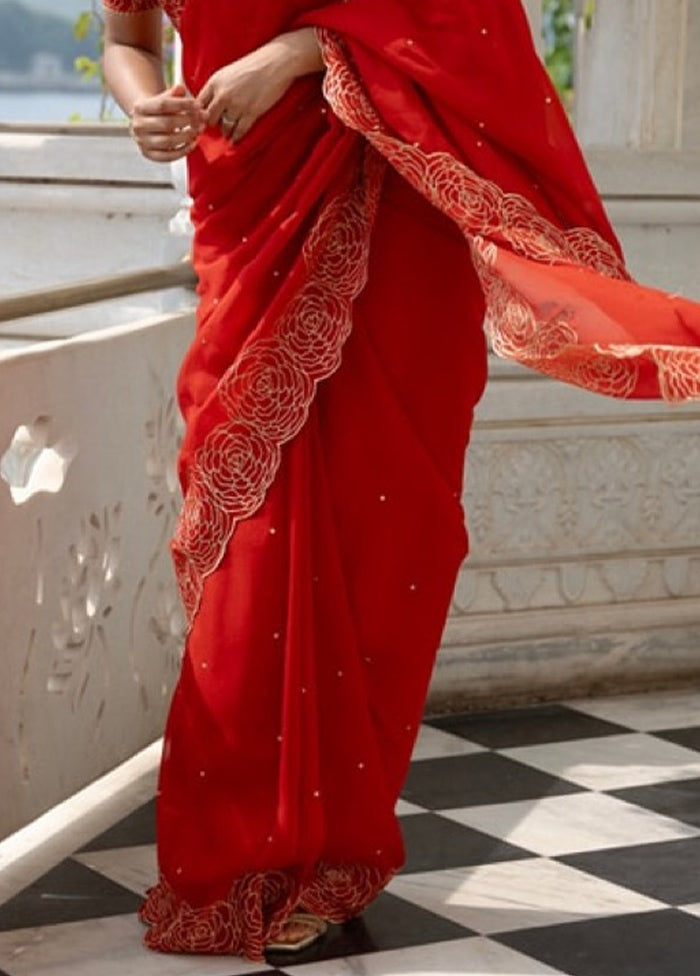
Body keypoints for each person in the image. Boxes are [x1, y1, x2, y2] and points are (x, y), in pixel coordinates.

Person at [102, 0, 700, 962]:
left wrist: (297, 56)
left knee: (382, 539)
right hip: (244, 205)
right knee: (246, 547)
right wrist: (144, 106)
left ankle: (331, 855)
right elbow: (128, 41)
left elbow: (462, 19)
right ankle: (233, 859)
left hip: (384, 204)